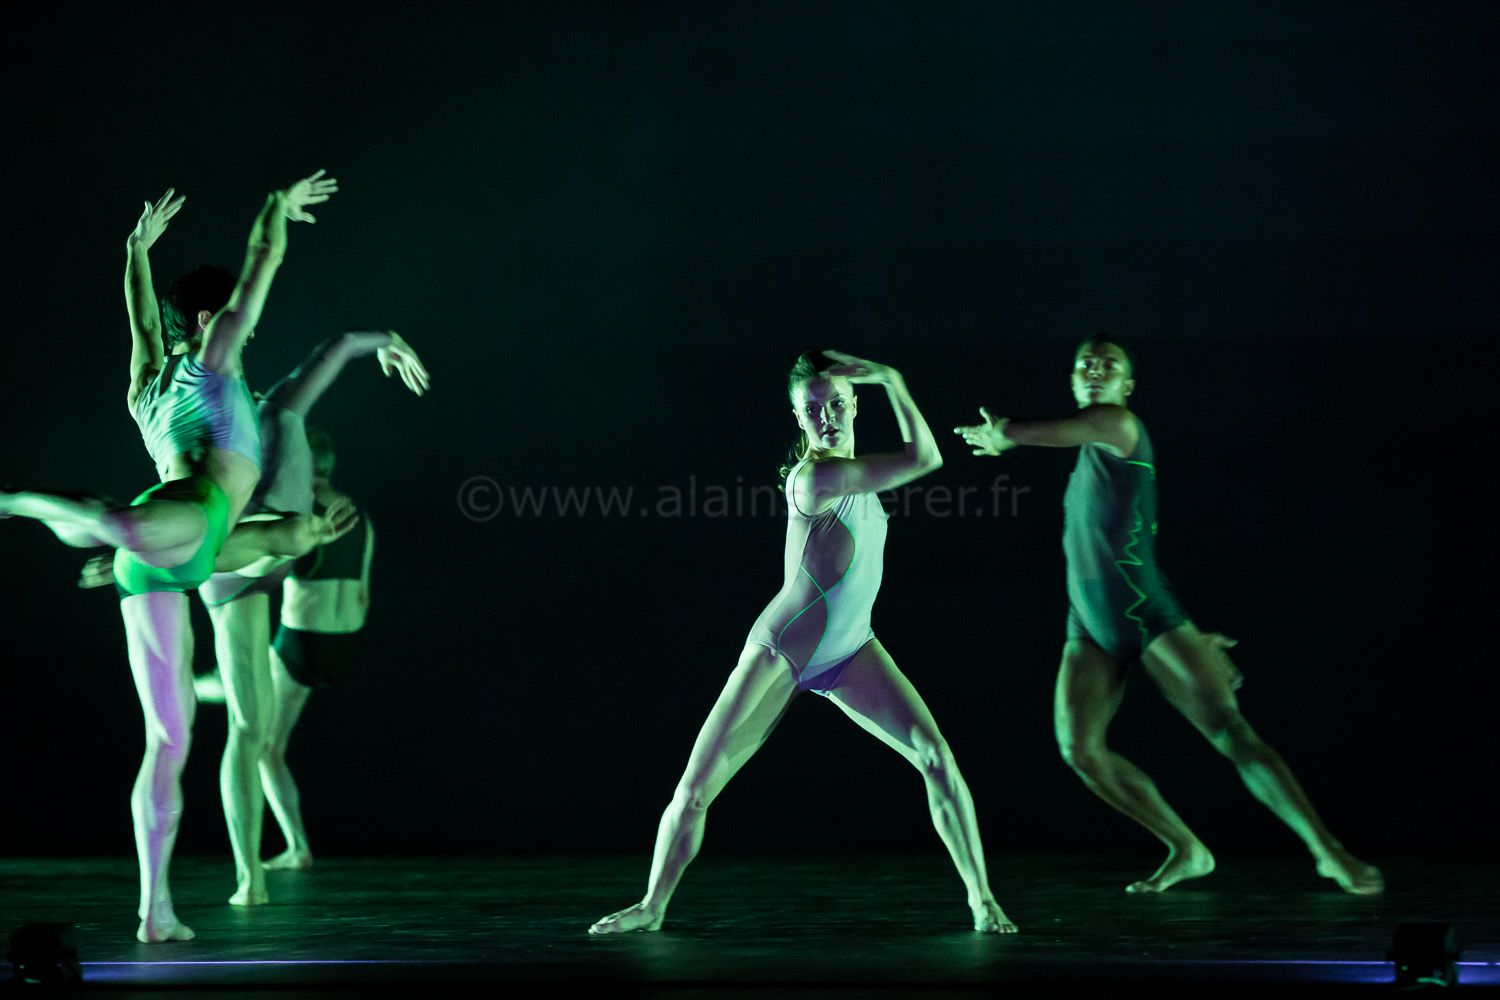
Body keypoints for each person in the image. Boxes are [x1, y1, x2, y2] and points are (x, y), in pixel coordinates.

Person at [2, 173, 339, 941]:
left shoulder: (146, 385)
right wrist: (275, 209)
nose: (245, 336)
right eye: (235, 325)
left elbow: (142, 322)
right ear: (213, 322)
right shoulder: (213, 364)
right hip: (183, 523)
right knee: (126, 524)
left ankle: (156, 911)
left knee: (169, 739)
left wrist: (136, 251)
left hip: (164, 568)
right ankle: (19, 501)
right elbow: (260, 267)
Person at [590, 350, 1016, 936]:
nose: (826, 417)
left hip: (852, 650)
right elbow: (926, 457)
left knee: (935, 756)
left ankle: (982, 900)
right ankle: (651, 905)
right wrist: (893, 379)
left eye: (836, 404)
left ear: (853, 404)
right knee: (696, 789)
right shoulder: (817, 478)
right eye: (812, 410)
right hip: (780, 652)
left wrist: (887, 382)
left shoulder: (856, 477)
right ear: (798, 419)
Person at [954, 335, 1383, 896]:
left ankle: (1329, 852)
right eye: (1085, 364)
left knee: (1230, 731)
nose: (1095, 369)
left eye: (1109, 365)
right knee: (1080, 750)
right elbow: (1125, 544)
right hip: (1089, 624)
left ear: (1127, 385)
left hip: (1145, 612)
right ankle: (1186, 847)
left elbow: (1077, 447)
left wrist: (1005, 432)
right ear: (1073, 379)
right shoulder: (1090, 453)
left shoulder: (1120, 426)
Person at [259, 428, 378, 871]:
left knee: (266, 747)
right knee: (256, 698)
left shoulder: (298, 513)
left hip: (302, 642)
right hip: (345, 646)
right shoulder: (361, 518)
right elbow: (364, 592)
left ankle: (297, 847)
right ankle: (210, 685)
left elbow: (261, 570)